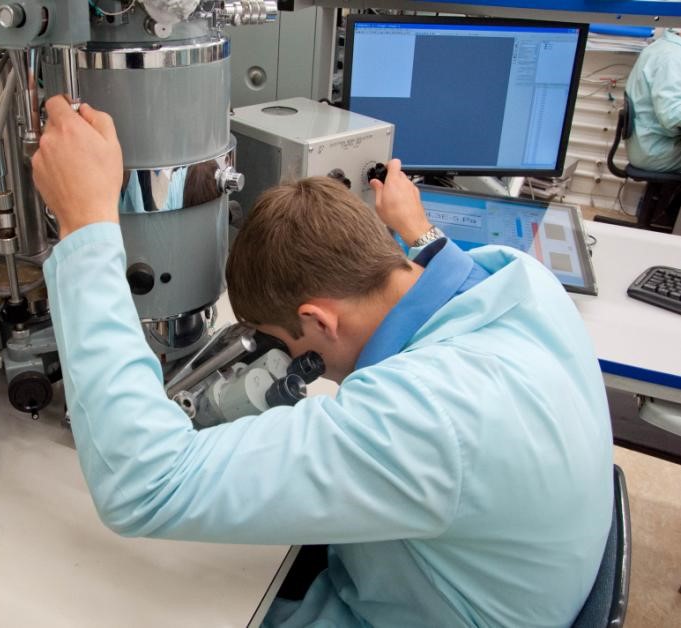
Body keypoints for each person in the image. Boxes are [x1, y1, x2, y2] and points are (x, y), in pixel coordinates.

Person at [31, 95, 613, 627]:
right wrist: (418, 231)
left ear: (318, 321)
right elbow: (442, 263)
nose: (289, 361)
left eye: (283, 343)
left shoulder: (421, 417)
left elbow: (146, 485)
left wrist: (86, 227)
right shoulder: (523, 281)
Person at [625, 28, 681, 172]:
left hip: (650, 145)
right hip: (659, 151)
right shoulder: (672, 57)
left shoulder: (663, 46)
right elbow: (672, 116)